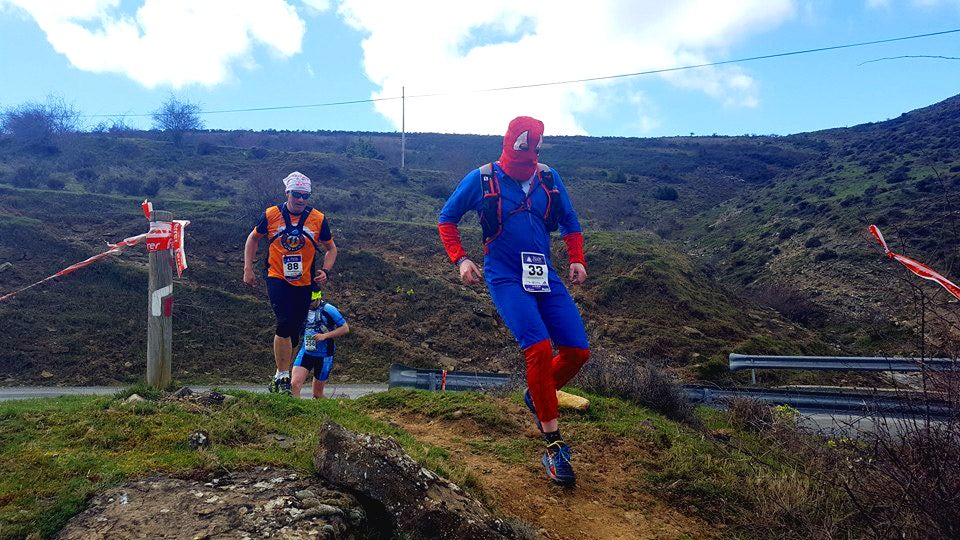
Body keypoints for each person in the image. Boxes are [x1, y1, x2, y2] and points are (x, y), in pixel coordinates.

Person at [437, 116, 590, 486]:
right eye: (516, 158)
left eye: (528, 158)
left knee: (577, 351)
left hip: (545, 274)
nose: (522, 166)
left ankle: (536, 393)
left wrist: (576, 257)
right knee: (537, 349)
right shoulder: (483, 178)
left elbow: (570, 221)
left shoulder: (549, 178)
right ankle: (554, 446)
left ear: (537, 151)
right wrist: (461, 259)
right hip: (505, 275)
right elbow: (447, 219)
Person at [242, 171, 337, 395]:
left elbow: (331, 248)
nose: (301, 200)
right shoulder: (271, 214)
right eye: (297, 195)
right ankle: (284, 376)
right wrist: (248, 268)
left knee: (294, 330)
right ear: (287, 193)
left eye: (306, 196)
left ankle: (278, 374)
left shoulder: (318, 219)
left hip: (305, 282)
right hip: (277, 276)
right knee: (284, 322)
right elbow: (253, 238)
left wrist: (325, 270)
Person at [291, 290, 350, 399]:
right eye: (306, 301)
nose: (308, 303)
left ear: (318, 298)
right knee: (294, 384)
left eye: (311, 301)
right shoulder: (302, 308)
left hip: (324, 355)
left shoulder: (329, 310)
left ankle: (331, 412)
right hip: (306, 352)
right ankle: (295, 412)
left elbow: (345, 328)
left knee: (317, 394)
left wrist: (325, 336)